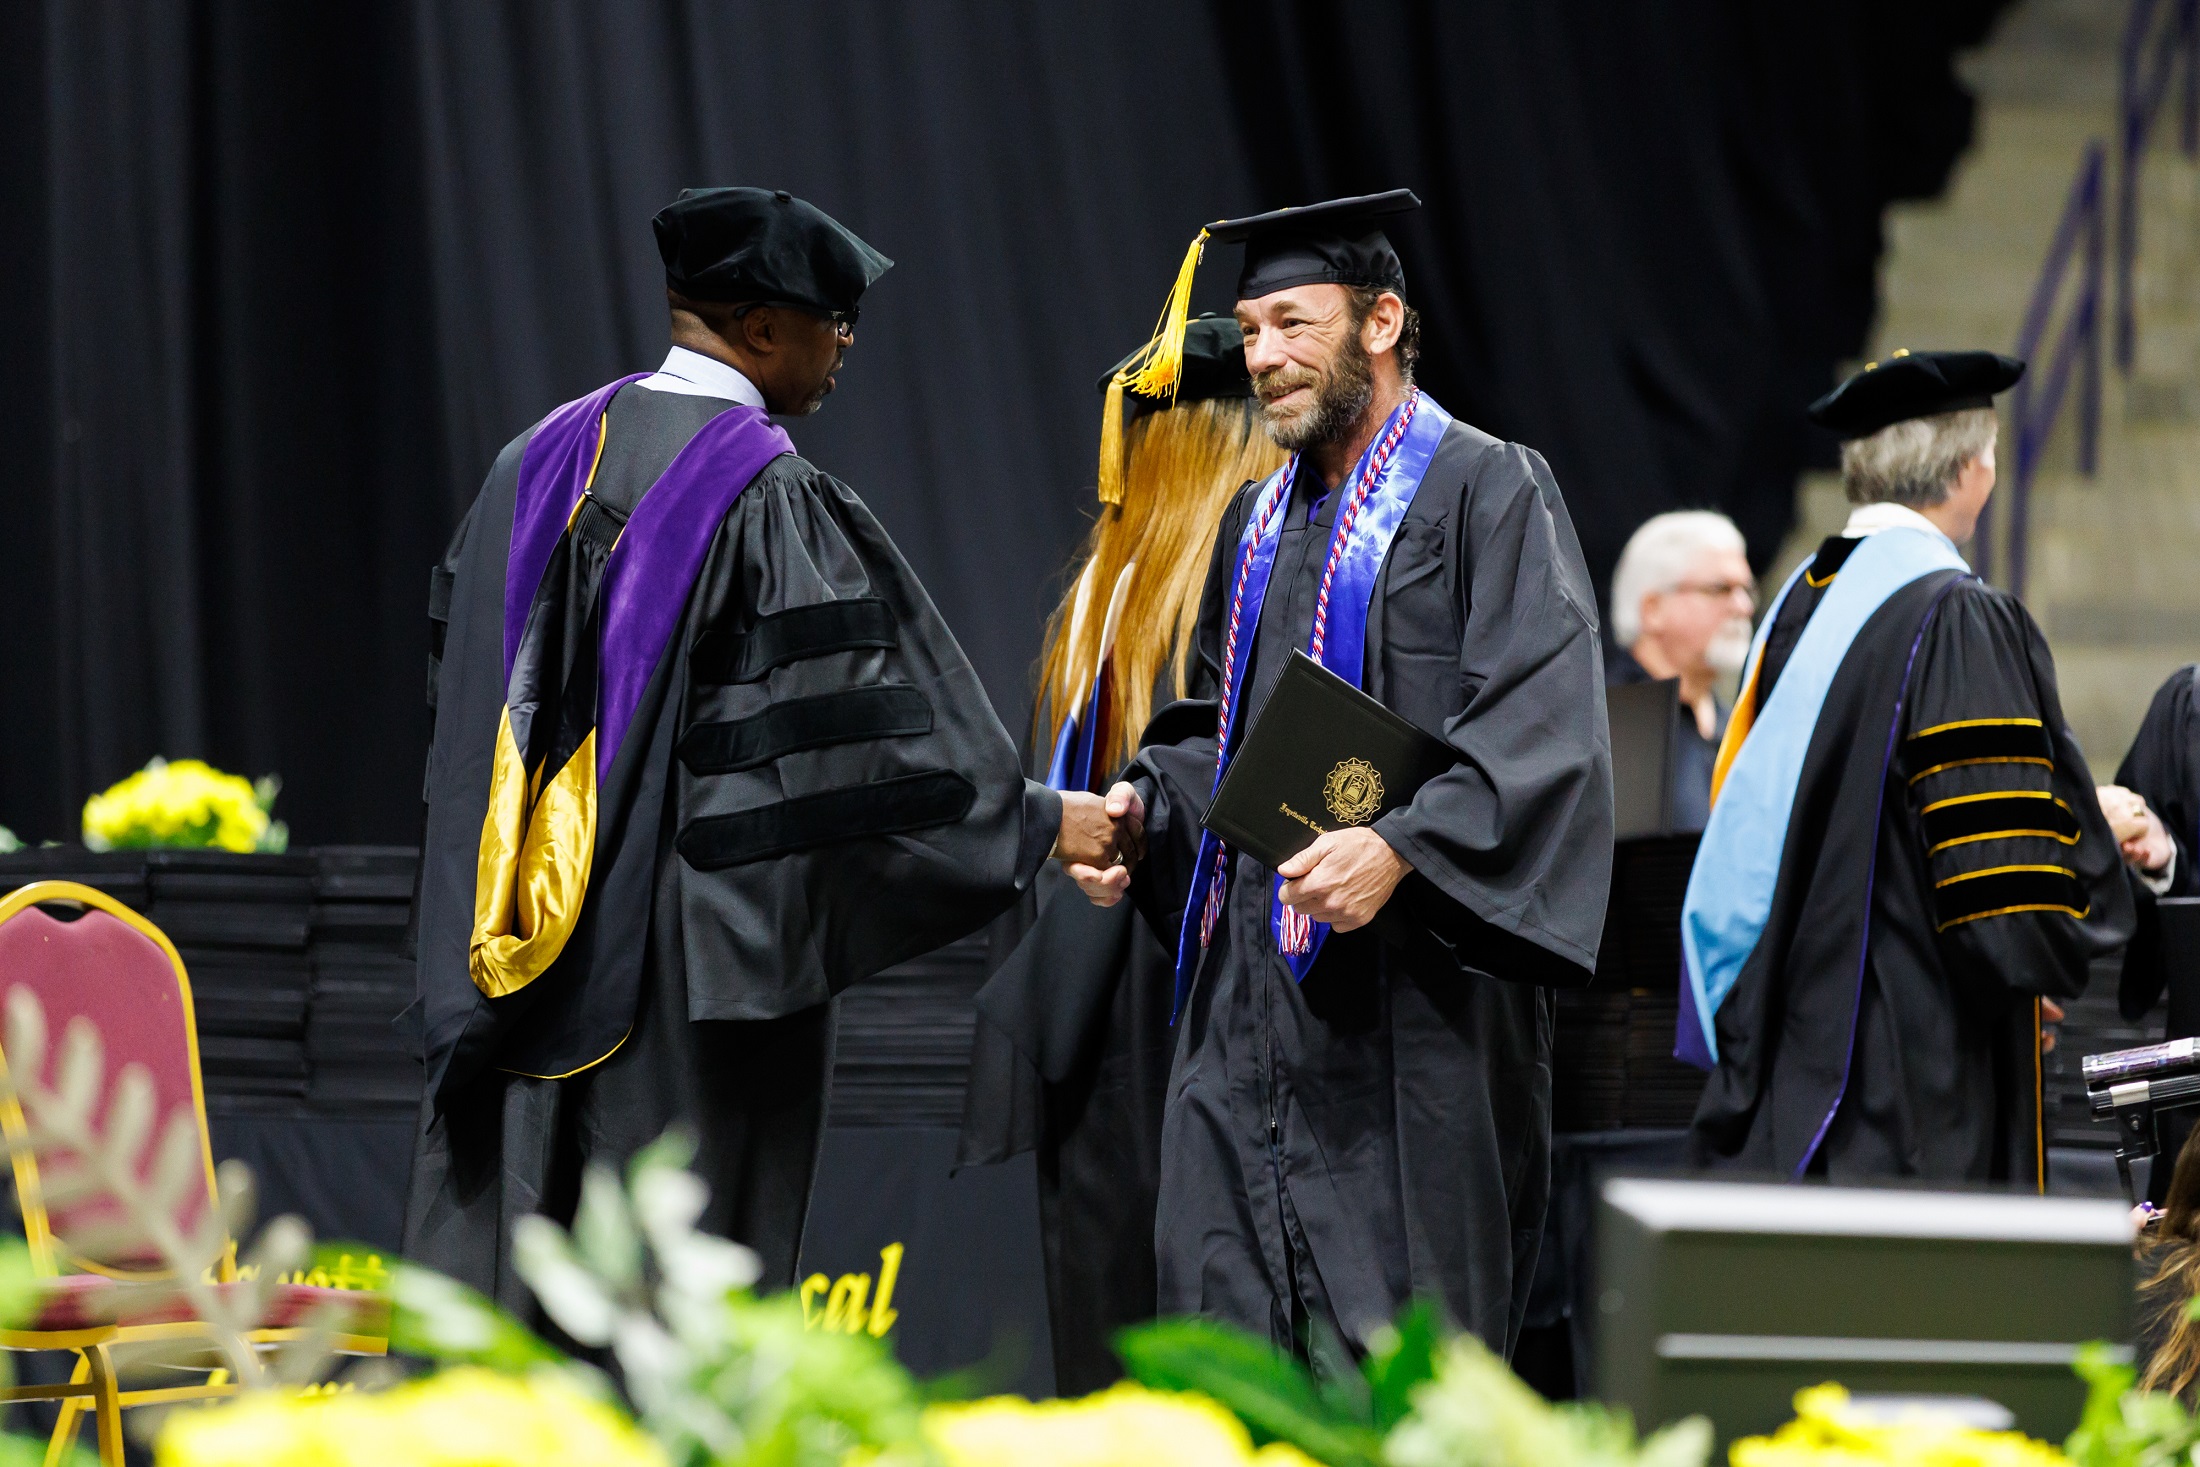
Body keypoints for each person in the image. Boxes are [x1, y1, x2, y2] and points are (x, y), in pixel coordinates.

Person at [403, 187, 1129, 1308]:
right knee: (664, 1319)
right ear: (759, 328)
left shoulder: (528, 462)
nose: (846, 346)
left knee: (512, 1311)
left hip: (494, 963)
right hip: (681, 991)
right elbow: (857, 764)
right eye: (834, 321)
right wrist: (1040, 819)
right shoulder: (766, 495)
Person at [1071, 190, 1614, 1355]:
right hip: (1246, 1013)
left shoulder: (1488, 490)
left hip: (1412, 1019)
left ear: (1379, 323)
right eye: (1250, 328)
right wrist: (1144, 810)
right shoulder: (1254, 523)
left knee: (1398, 1366)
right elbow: (1222, 725)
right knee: (1231, 1362)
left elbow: (1543, 724)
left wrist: (1403, 846)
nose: (1260, 357)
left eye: (1291, 323)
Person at [1685, 349, 2137, 1187]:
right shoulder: (1957, 615)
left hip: (1799, 1058)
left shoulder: (1801, 602)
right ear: (1970, 469)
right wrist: (2069, 899)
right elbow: (1998, 889)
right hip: (1914, 1078)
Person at [957, 315, 1285, 1392]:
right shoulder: (1237, 582)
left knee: (1099, 1304)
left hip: (1086, 981)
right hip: (1188, 978)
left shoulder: (1100, 593)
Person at [1606, 510, 1757, 831]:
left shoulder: (1741, 727)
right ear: (1653, 609)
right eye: (1720, 589)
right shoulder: (1602, 723)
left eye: (1746, 590)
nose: (1743, 607)